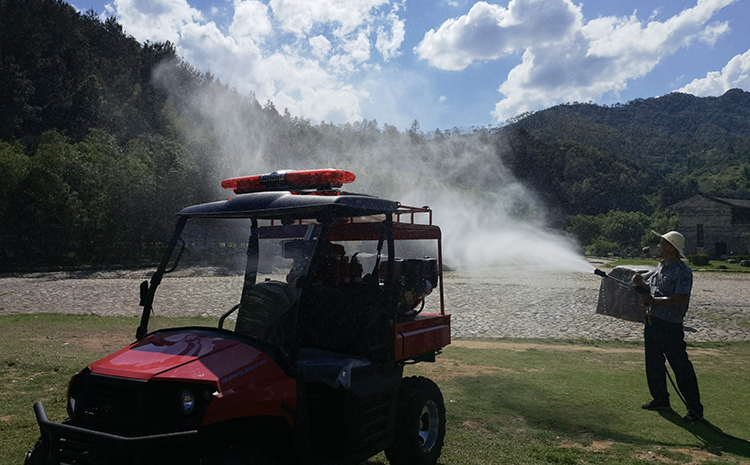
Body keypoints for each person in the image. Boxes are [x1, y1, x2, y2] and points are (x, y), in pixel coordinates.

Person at [631, 230, 704, 422]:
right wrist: (641, 284)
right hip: (653, 321)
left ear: (671, 248)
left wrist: (653, 300)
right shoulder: (660, 267)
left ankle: (695, 409)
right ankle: (660, 398)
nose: (658, 247)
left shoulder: (682, 271)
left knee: (680, 366)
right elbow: (655, 289)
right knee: (653, 362)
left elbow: (679, 298)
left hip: (670, 325)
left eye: (662, 243)